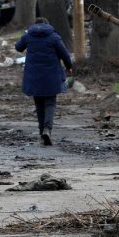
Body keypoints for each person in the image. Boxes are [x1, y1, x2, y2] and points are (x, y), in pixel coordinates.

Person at [14, 17, 73, 146]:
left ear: (35, 24)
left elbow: (18, 47)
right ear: (47, 24)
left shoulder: (28, 35)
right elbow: (65, 54)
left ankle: (42, 132)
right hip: (51, 75)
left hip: (34, 76)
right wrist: (69, 67)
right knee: (50, 103)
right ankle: (47, 129)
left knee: (39, 104)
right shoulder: (53, 37)